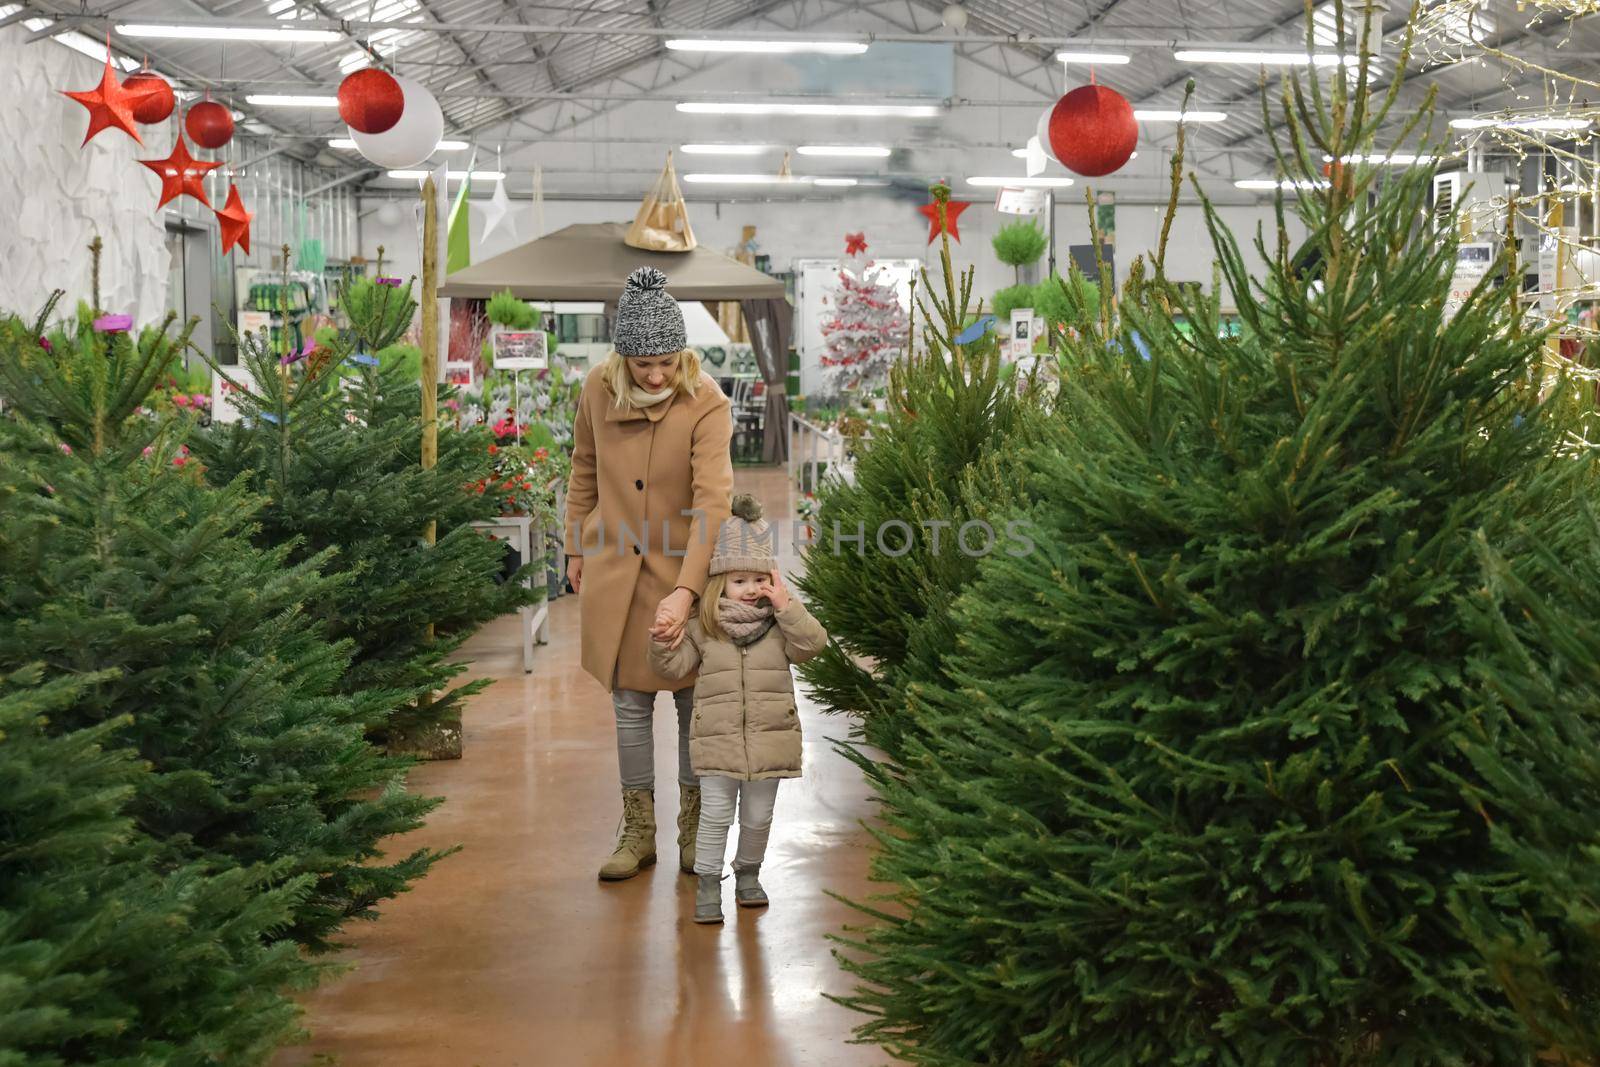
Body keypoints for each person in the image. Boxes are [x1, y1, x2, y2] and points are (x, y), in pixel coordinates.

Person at [564, 266, 734, 882]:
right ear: (622, 357)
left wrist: (688, 591)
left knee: (692, 702)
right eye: (642, 365)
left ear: (682, 354)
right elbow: (583, 468)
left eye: (666, 362)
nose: (656, 376)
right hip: (616, 571)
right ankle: (638, 830)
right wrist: (575, 549)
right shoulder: (595, 390)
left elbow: (714, 502)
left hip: (684, 564)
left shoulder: (707, 402)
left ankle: (694, 826)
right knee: (630, 705)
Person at [647, 494, 828, 924]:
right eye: (737, 581)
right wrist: (659, 641)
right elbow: (673, 668)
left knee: (759, 816)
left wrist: (786, 606)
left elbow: (813, 644)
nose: (748, 591)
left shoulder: (779, 627)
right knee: (714, 817)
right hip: (717, 744)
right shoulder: (704, 627)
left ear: (770, 579)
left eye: (756, 580)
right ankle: (708, 882)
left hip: (769, 742)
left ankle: (748, 872)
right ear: (719, 583)